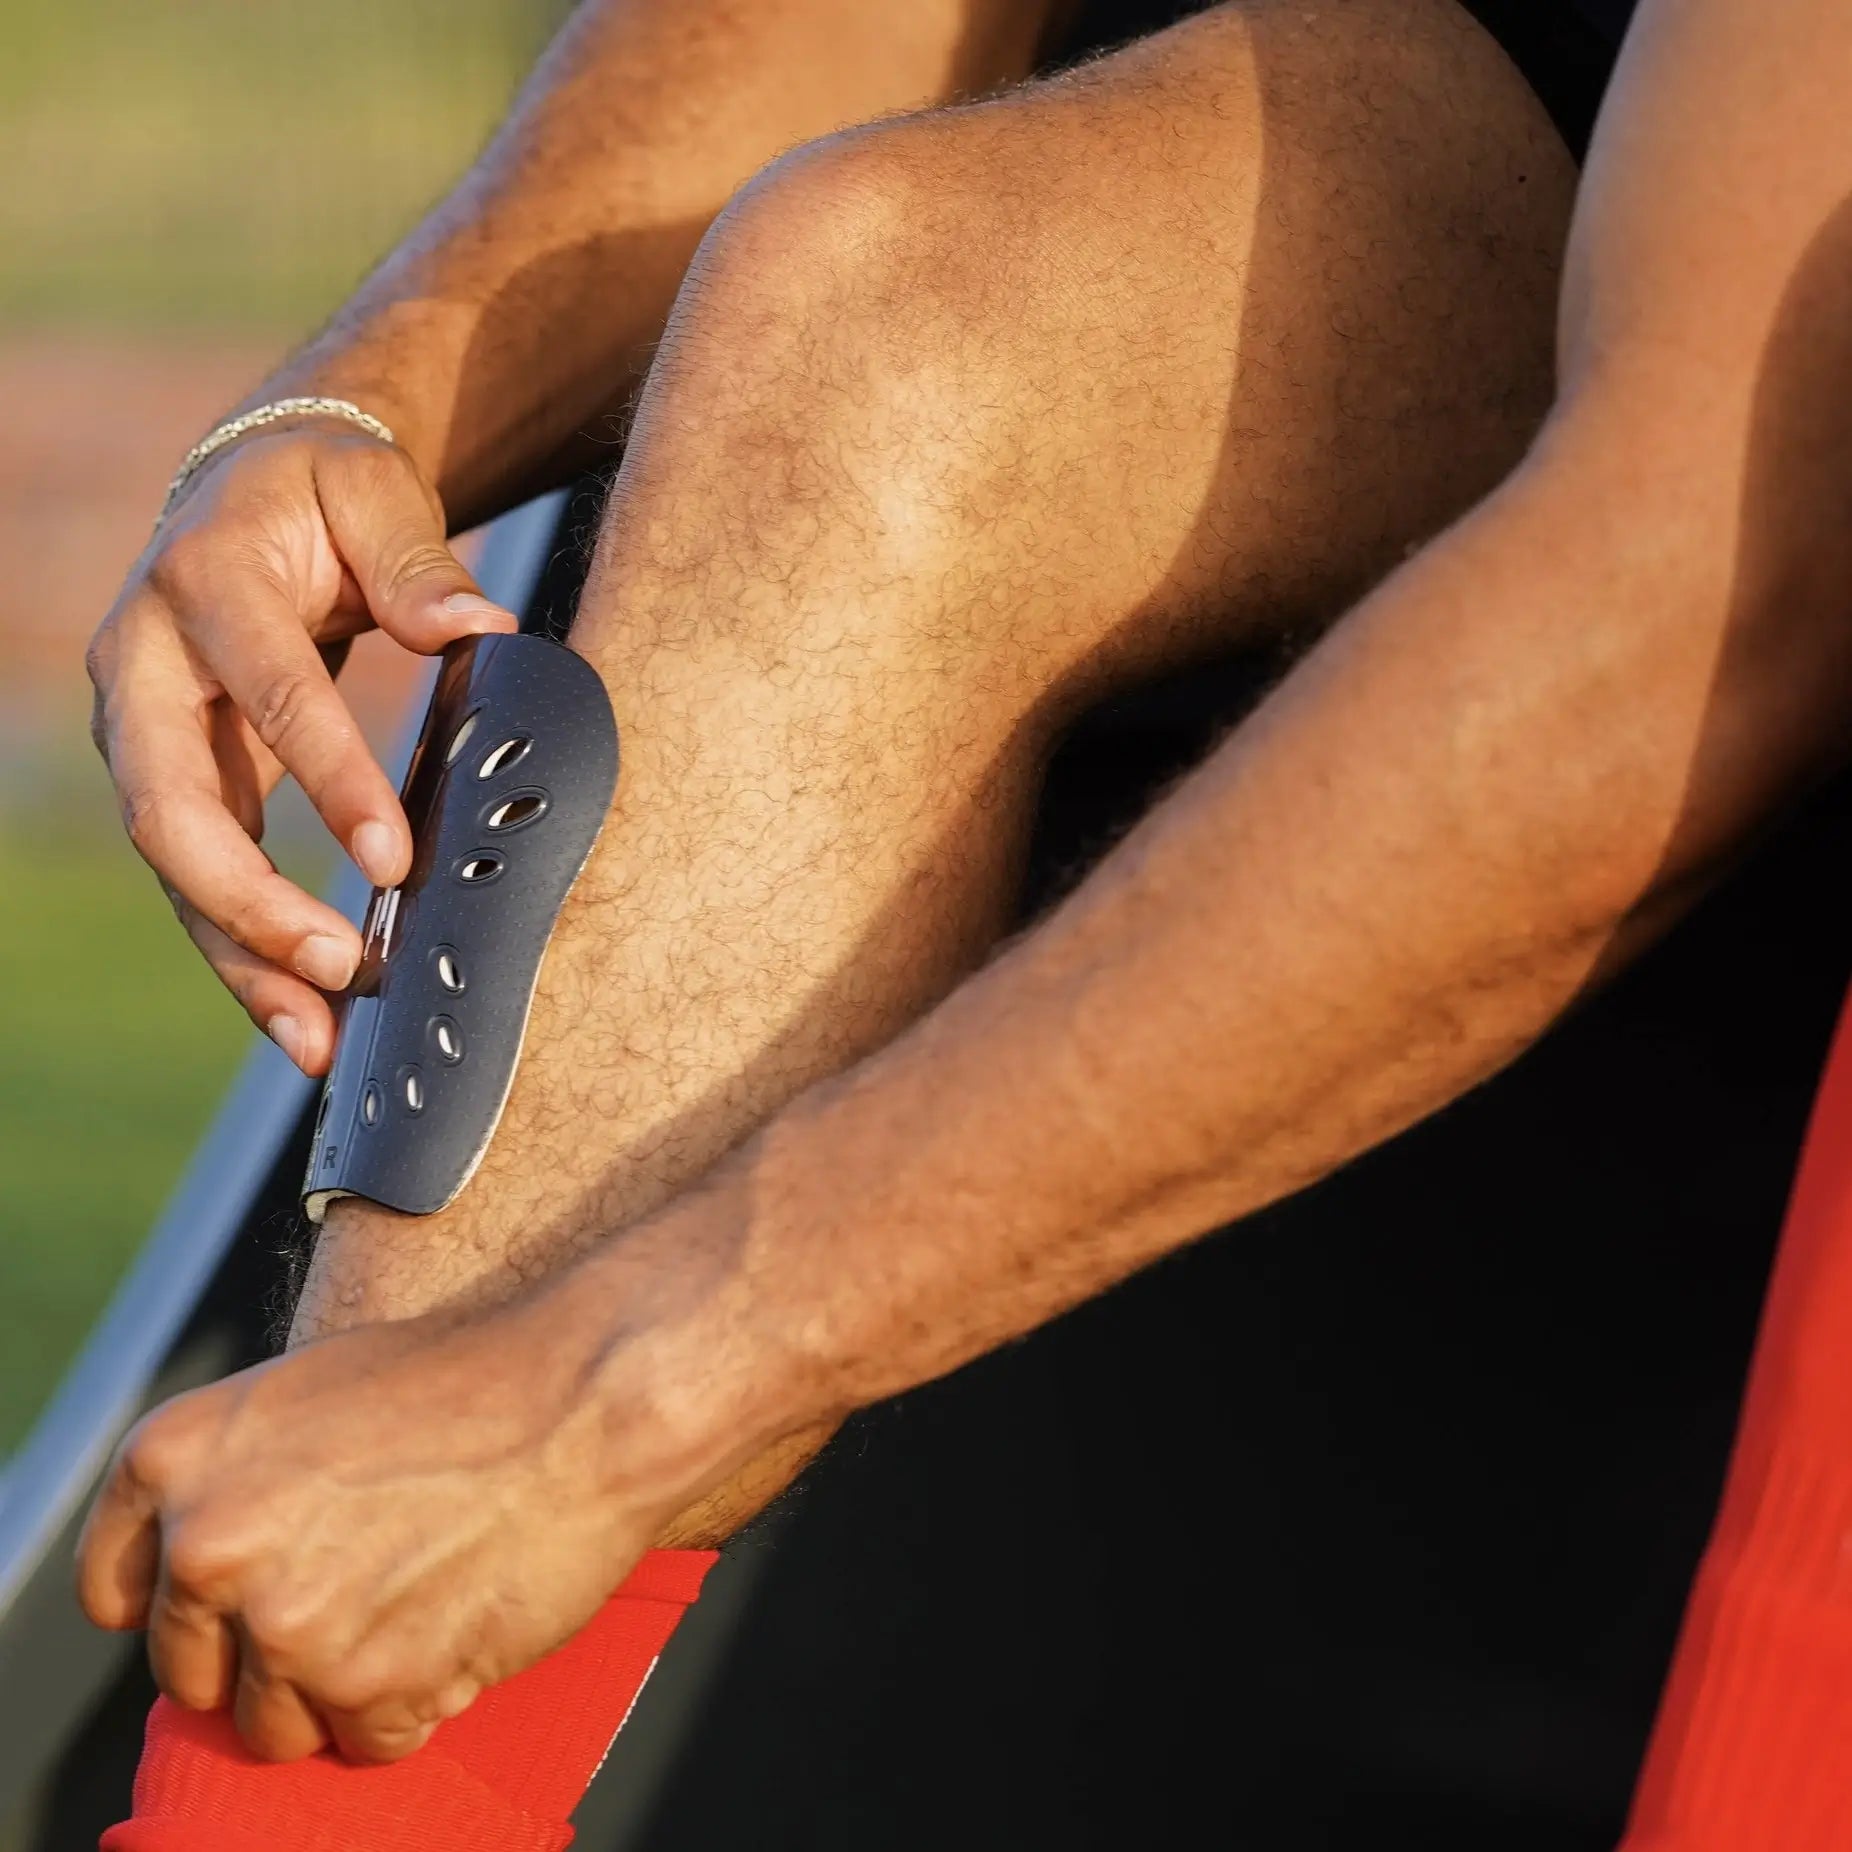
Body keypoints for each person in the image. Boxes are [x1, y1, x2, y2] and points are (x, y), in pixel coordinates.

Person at [72, 0, 1852, 1841]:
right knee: (881, 310)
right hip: (1502, 109)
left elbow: (1696, 604)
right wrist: (349, 417)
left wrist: (607, 1390)